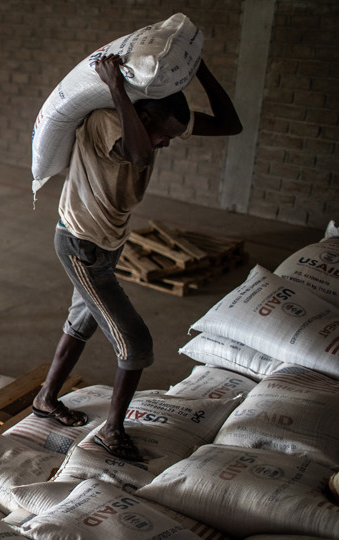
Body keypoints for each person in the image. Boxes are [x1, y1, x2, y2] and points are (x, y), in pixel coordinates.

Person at [31, 54, 242, 462]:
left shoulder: (152, 122)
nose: (166, 143)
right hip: (80, 245)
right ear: (143, 119)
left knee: (82, 321)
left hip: (109, 243)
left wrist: (199, 70)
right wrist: (114, 87)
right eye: (163, 135)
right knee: (136, 343)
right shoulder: (105, 122)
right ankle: (112, 430)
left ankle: (45, 397)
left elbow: (230, 124)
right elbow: (140, 154)